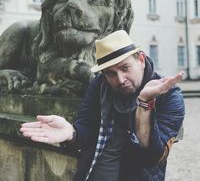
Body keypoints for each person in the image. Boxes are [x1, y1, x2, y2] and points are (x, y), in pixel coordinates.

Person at [20, 30, 185, 181]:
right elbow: (86, 127)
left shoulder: (169, 96)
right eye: (111, 73)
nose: (120, 79)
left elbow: (152, 157)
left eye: (125, 68)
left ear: (140, 60)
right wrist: (71, 132)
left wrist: (144, 104)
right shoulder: (99, 85)